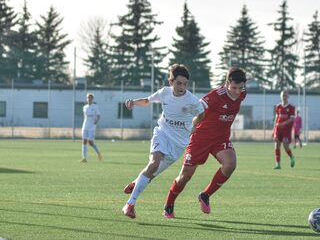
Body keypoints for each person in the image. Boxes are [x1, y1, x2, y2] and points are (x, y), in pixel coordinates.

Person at [122, 64, 204, 219]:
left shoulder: (192, 100)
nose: (182, 87)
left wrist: (193, 125)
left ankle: (136, 183)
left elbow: (201, 114)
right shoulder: (164, 93)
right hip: (162, 133)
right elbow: (147, 101)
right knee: (153, 163)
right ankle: (130, 205)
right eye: (179, 83)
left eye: (185, 84)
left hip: (178, 144)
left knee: (151, 174)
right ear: (171, 81)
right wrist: (133, 102)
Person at [163, 67, 247, 219]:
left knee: (230, 164)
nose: (237, 91)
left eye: (240, 88)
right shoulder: (215, 96)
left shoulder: (242, 95)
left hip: (220, 138)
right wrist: (190, 125)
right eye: (234, 87)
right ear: (227, 83)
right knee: (185, 176)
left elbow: (239, 95)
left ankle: (205, 195)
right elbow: (196, 109)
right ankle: (169, 204)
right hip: (200, 138)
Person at [273, 90, 295, 169]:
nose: (284, 97)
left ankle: (291, 157)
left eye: (285, 96)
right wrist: (274, 129)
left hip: (286, 130)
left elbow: (292, 119)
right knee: (276, 146)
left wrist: (283, 124)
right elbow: (276, 118)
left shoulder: (291, 107)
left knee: (286, 146)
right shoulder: (278, 106)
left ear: (288, 97)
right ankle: (278, 164)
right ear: (281, 96)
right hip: (278, 129)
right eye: (283, 96)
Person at [80, 93, 102, 162]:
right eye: (88, 98)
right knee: (84, 141)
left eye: (90, 98)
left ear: (92, 99)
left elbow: (98, 115)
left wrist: (96, 121)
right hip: (85, 125)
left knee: (90, 142)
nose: (89, 99)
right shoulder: (84, 107)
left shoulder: (95, 106)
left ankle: (98, 153)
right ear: (86, 99)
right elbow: (85, 117)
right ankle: (84, 158)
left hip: (92, 126)